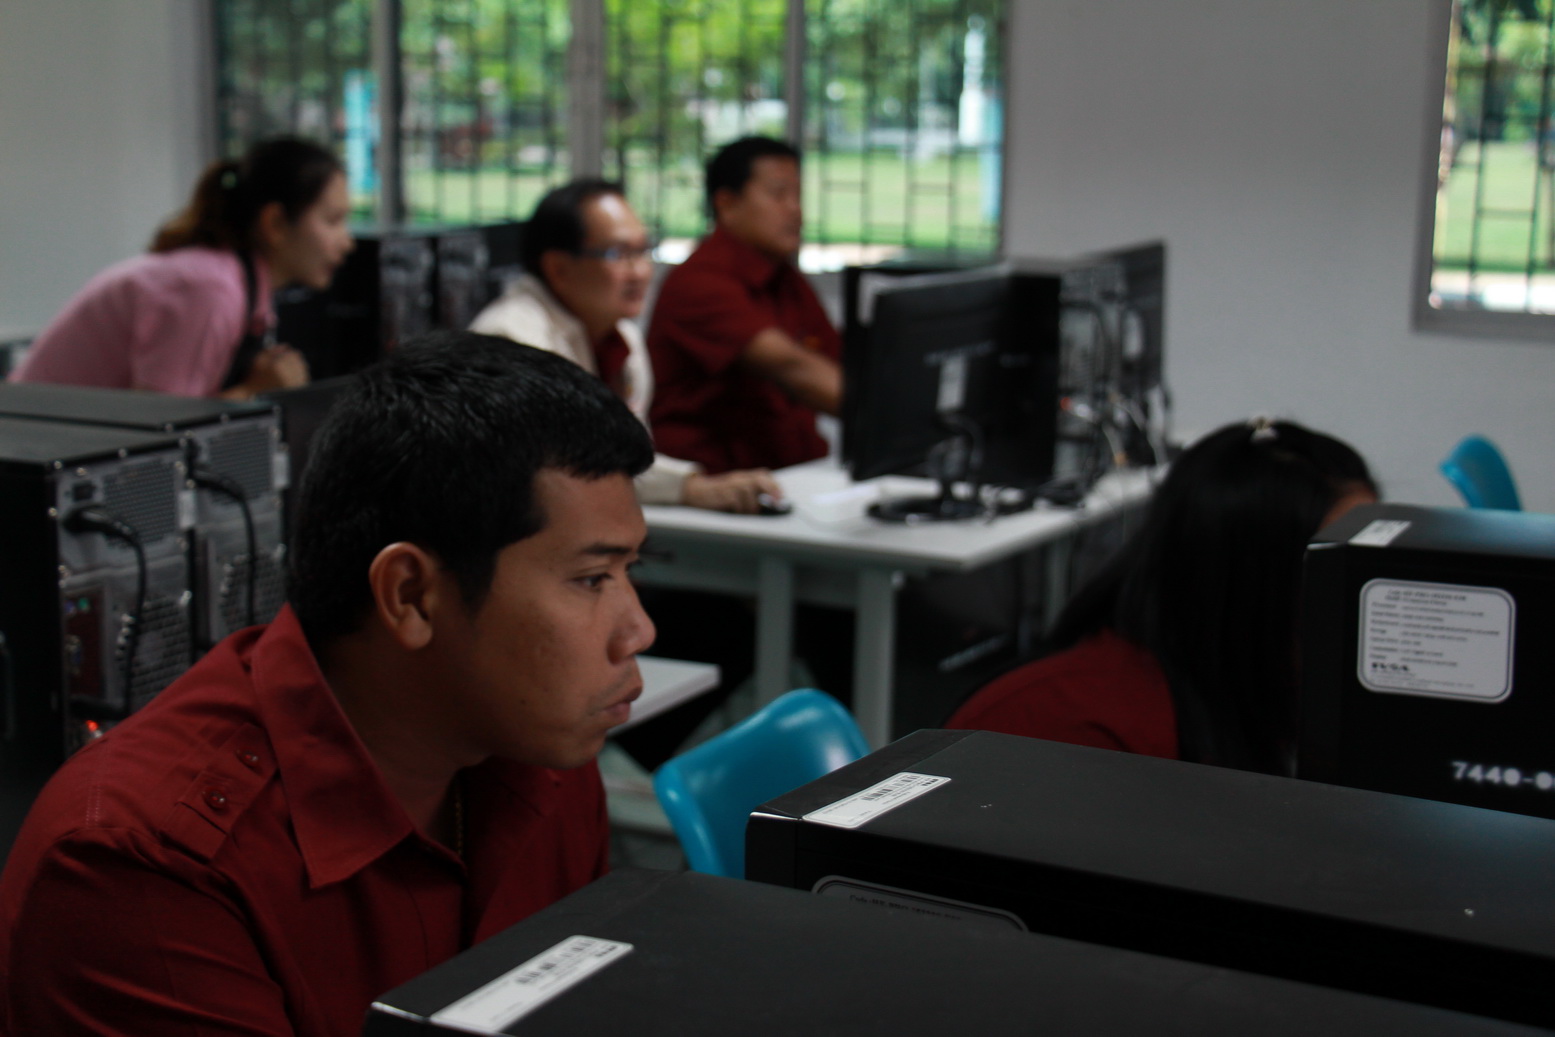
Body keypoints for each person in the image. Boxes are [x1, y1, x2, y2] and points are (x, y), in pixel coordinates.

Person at [0, 332, 657, 1036]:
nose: (638, 630)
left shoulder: (543, 761)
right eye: (592, 578)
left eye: (630, 571)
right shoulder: (144, 867)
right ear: (410, 596)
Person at [948, 418, 1378, 776]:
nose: (1370, 600)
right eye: (1344, 572)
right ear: (1251, 589)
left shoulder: (1274, 701)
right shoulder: (1067, 727)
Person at [472, 178, 780, 513]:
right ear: (558, 268)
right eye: (618, 254)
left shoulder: (621, 335)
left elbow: (626, 456)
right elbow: (568, 468)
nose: (639, 272)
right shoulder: (512, 341)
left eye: (643, 250)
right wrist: (691, 487)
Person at [10, 136, 353, 400]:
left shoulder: (228, 282)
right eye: (333, 220)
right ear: (275, 223)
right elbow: (162, 433)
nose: (347, 242)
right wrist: (255, 391)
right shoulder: (209, 290)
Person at [647, 136, 843, 473]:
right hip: (716, 486)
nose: (795, 210)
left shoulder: (785, 279)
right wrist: (900, 417)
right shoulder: (699, 282)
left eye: (797, 195)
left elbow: (835, 360)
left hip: (790, 474)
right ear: (727, 204)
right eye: (778, 195)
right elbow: (793, 368)